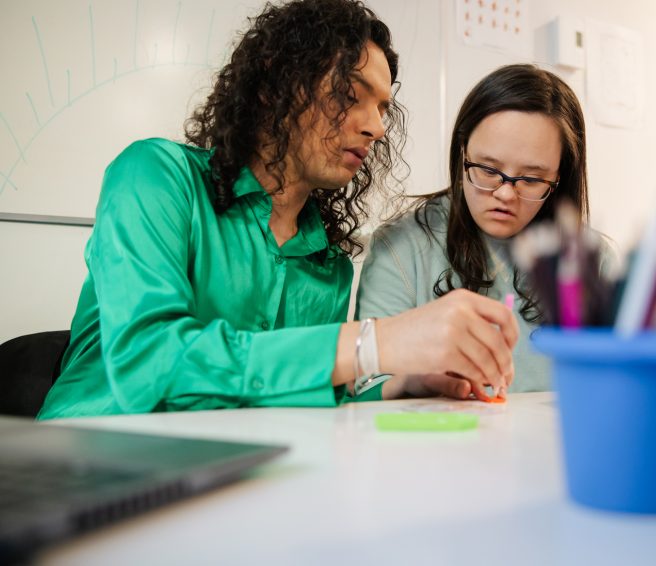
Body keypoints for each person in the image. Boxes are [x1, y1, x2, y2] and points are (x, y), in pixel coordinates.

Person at [38, 0, 517, 420]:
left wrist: (402, 382)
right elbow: (148, 364)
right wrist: (374, 343)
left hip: (213, 475)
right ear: (275, 83)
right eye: (350, 94)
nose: (376, 127)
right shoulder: (154, 176)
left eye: (383, 108)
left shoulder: (325, 264)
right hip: (80, 461)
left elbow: (276, 386)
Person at [356, 64, 590, 393]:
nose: (505, 193)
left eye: (532, 179)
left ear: (559, 178)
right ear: (462, 152)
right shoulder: (401, 249)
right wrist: (413, 381)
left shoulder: (588, 265)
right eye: (487, 169)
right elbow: (364, 385)